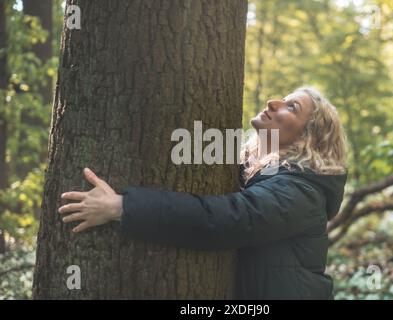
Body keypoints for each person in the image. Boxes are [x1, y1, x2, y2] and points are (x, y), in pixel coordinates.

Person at [58, 86, 348, 300]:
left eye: (291, 107)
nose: (273, 102)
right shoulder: (260, 174)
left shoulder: (301, 192)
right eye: (283, 99)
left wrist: (122, 207)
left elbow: (226, 219)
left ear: (307, 137)